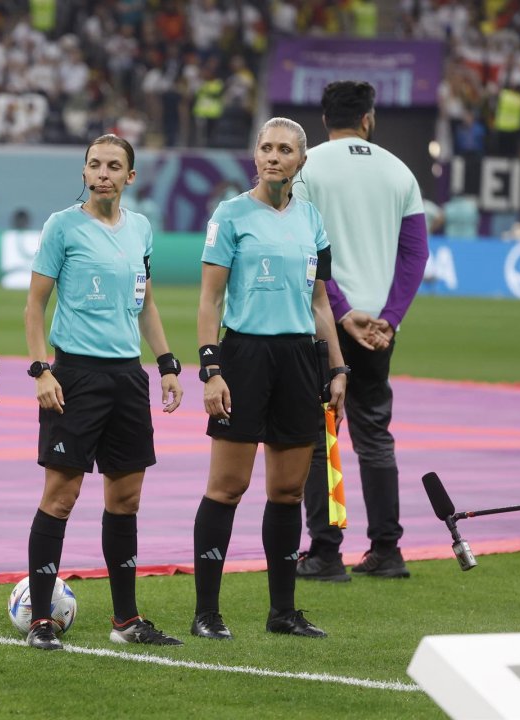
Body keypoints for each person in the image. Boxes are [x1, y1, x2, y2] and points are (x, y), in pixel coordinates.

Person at [23, 133, 184, 651]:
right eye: (95, 164)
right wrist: (41, 370)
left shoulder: (140, 228)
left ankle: (126, 620)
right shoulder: (61, 226)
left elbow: (146, 304)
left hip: (126, 378)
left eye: (114, 166)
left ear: (130, 176)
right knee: (62, 496)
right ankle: (41, 620)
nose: (103, 173)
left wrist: (166, 364)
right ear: (85, 172)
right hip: (75, 377)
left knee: (126, 497)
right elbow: (34, 307)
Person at [191, 117, 347, 641]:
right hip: (245, 357)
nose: (273, 156)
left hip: (300, 361)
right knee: (228, 486)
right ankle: (207, 613)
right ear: (254, 156)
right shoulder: (231, 215)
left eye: (284, 149)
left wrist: (337, 366)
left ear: (301, 161)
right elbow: (211, 299)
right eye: (265, 147)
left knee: (286, 491)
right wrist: (211, 369)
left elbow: (320, 302)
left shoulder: (312, 221)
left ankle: (283, 612)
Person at [293, 81, 428, 582]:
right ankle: (387, 551)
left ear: (324, 120)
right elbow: (415, 254)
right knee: (374, 433)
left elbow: (305, 248)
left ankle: (326, 553)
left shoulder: (308, 167)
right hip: (376, 326)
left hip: (323, 317)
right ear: (368, 119)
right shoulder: (400, 171)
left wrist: (343, 311)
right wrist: (389, 317)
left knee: (318, 432)